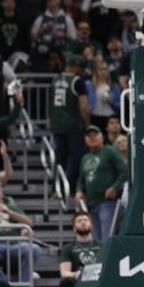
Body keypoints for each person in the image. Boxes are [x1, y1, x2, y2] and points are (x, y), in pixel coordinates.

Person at [74, 125, 128, 242]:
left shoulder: (110, 152)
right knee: (96, 239)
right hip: (91, 204)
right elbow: (81, 178)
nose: (92, 138)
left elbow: (124, 170)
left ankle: (107, 255)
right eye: (89, 136)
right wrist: (79, 190)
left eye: (95, 135)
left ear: (102, 137)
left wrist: (115, 187)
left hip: (108, 203)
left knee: (106, 238)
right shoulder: (85, 158)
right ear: (85, 140)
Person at [56, 211, 102, 287]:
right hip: (78, 280)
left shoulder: (102, 246)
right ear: (74, 228)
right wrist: (75, 274)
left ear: (91, 225)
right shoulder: (68, 248)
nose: (83, 223)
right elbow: (64, 272)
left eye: (85, 220)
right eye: (79, 221)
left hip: (97, 278)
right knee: (65, 282)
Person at [49, 55, 90, 189]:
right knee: (74, 158)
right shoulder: (77, 81)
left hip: (57, 125)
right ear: (77, 67)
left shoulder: (55, 79)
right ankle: (69, 187)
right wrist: (87, 124)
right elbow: (83, 107)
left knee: (60, 158)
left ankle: (56, 187)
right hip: (73, 125)